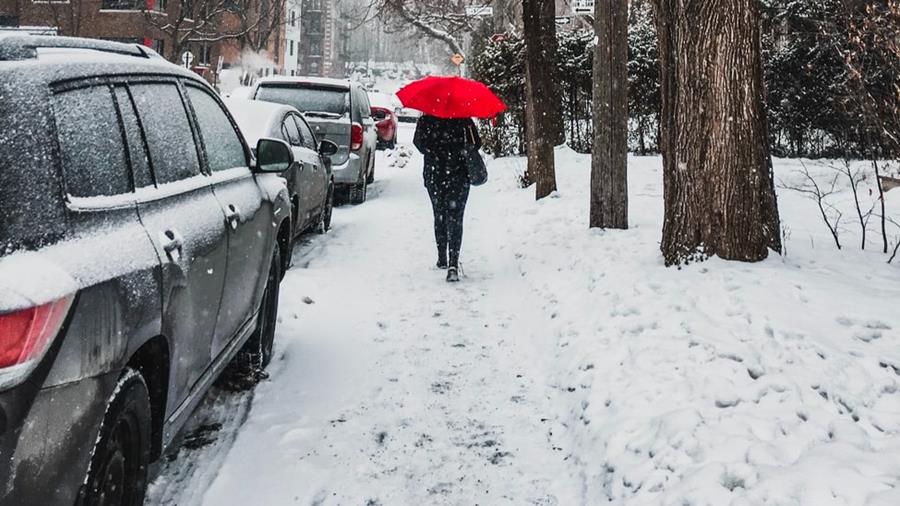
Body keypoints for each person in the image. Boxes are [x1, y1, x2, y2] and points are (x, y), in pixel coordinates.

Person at [413, 115, 481, 283]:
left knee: (439, 214)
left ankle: (442, 256)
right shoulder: (464, 120)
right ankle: (453, 263)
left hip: (435, 173)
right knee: (456, 217)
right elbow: (477, 144)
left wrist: (434, 149)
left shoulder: (426, 120)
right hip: (458, 174)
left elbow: (418, 144)